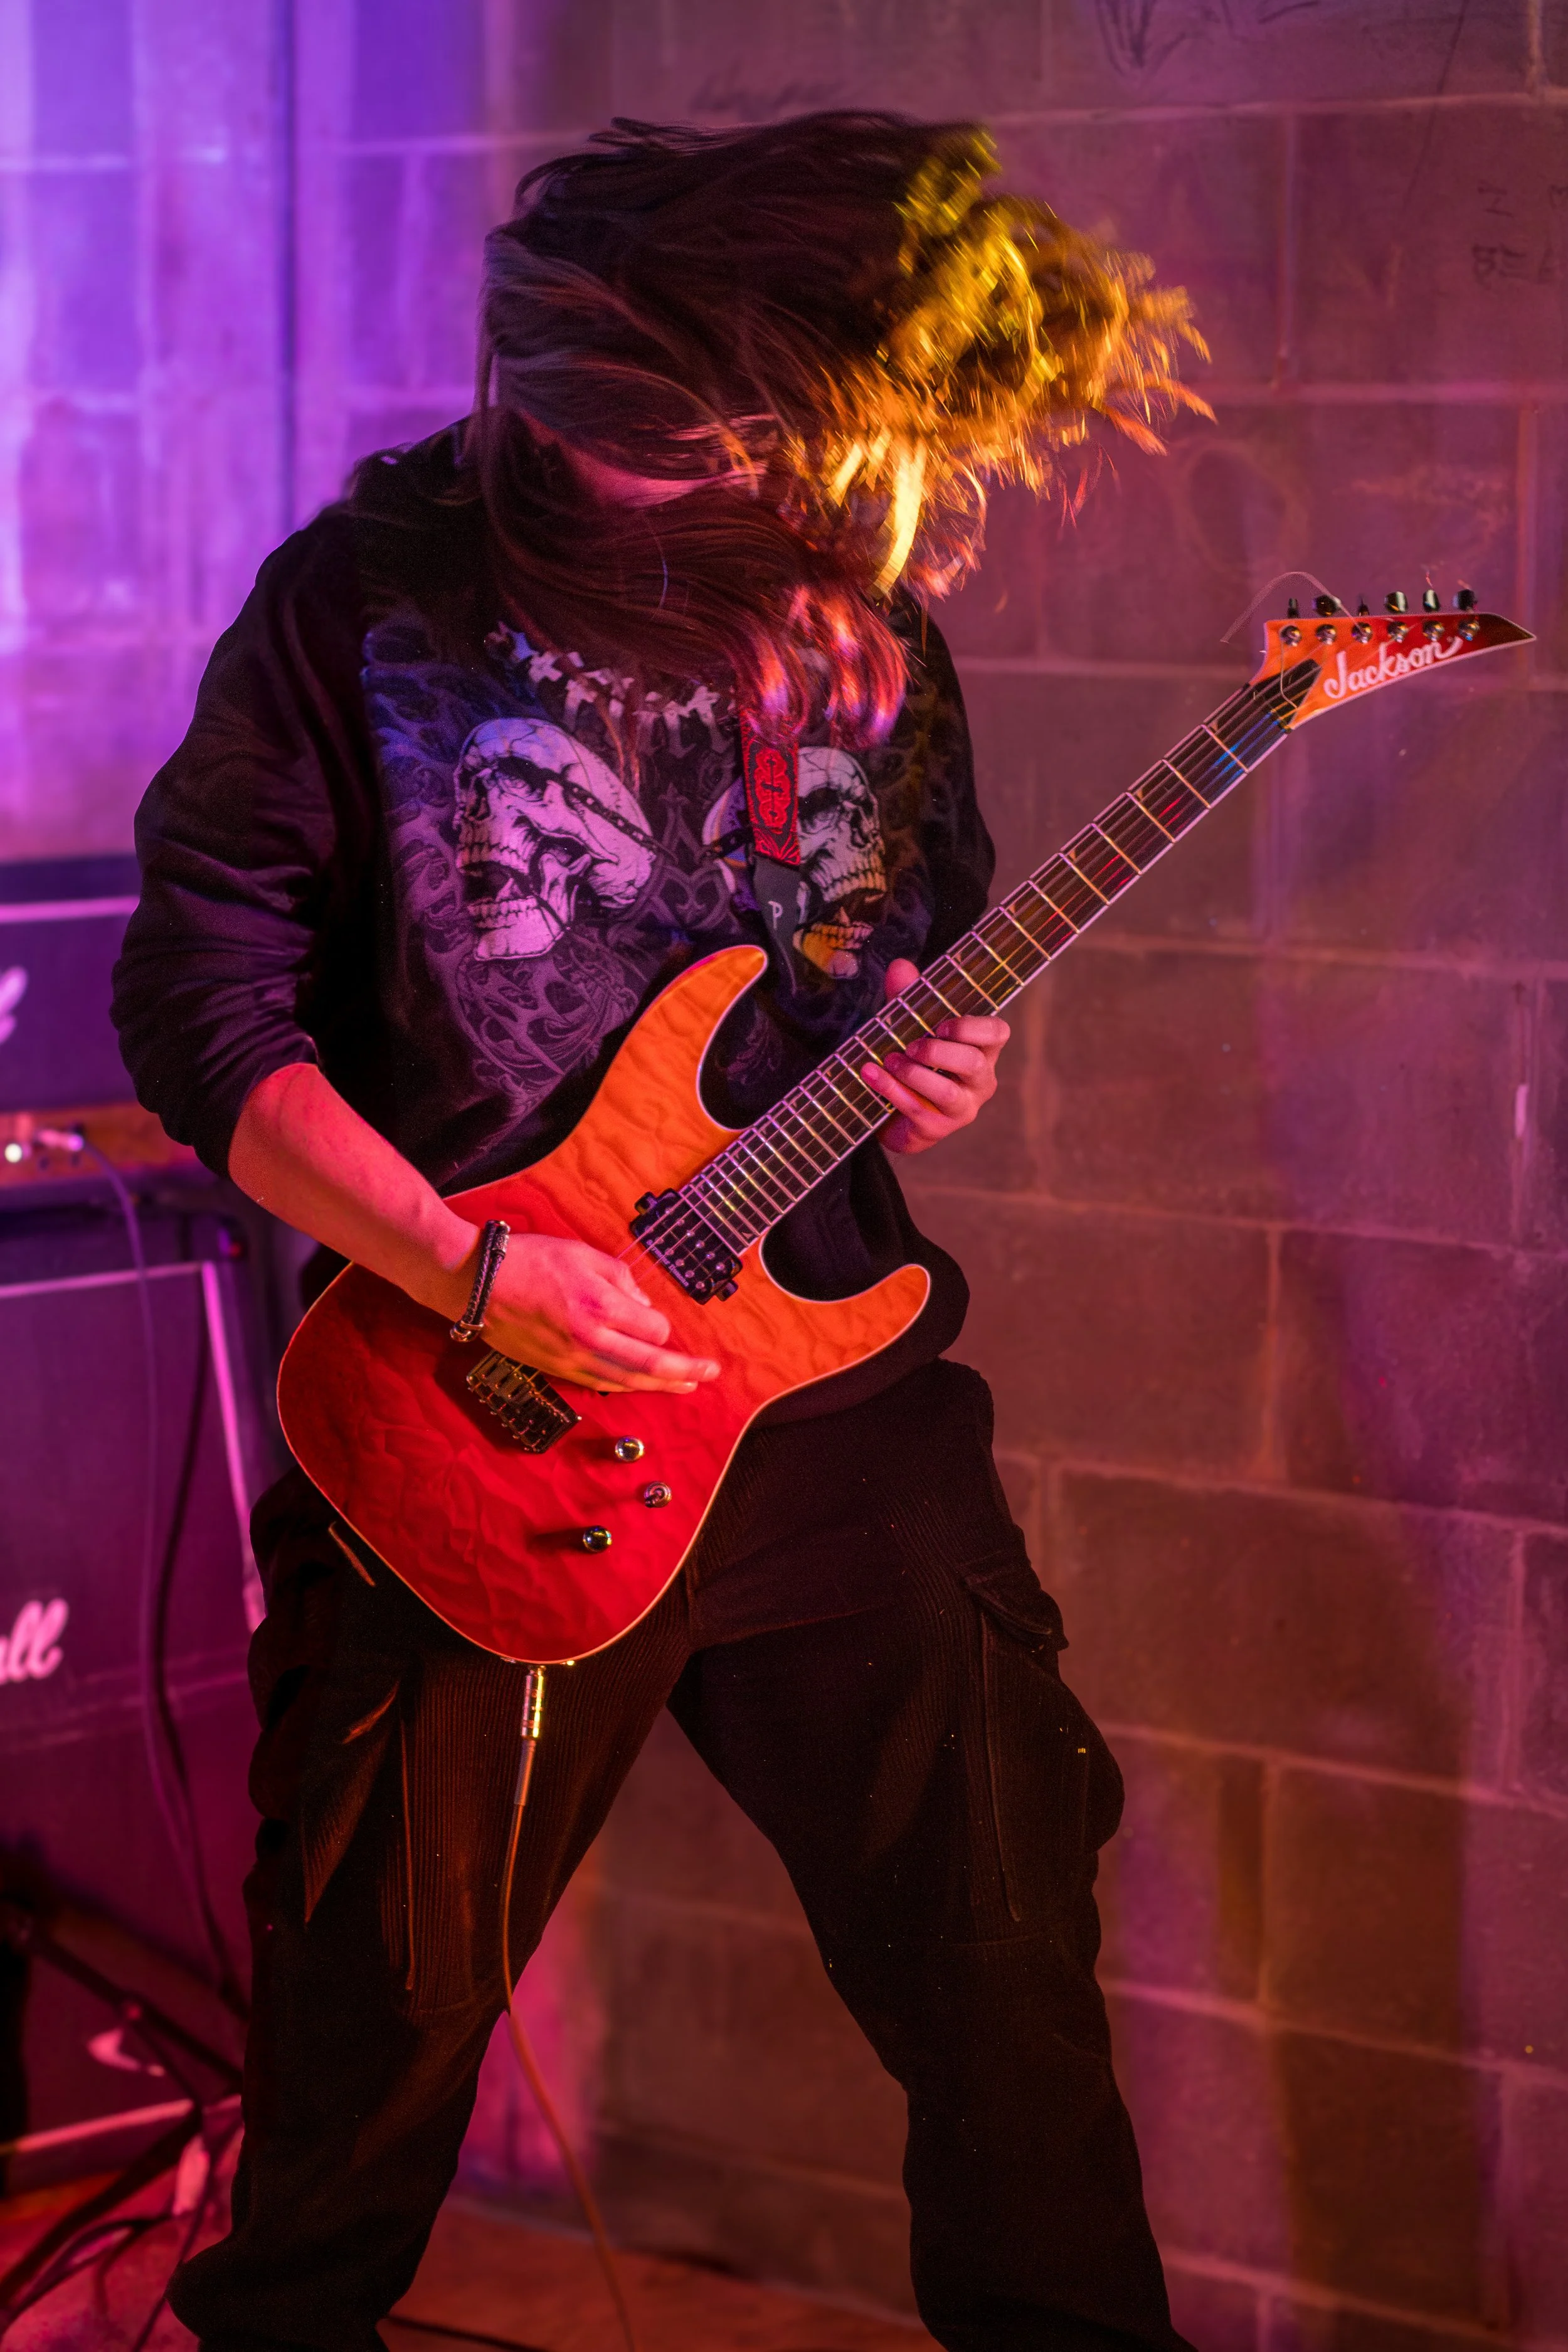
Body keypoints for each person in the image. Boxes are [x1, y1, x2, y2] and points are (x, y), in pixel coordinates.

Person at [112, 112, 1205, 2352]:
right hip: (474, 1401)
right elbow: (195, 1003)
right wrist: (477, 1266)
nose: (655, 483)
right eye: (616, 440)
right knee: (367, 2060)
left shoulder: (859, 619)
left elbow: (881, 965)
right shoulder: (361, 609)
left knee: (1007, 1996)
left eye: (706, 442)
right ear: (529, 392)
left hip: (815, 1412)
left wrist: (927, 1055)